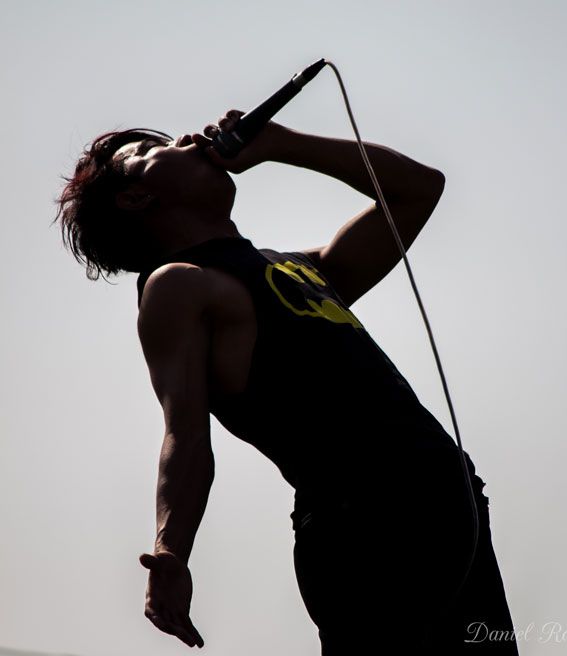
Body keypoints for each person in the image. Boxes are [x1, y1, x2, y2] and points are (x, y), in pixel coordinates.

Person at [55, 110, 520, 654]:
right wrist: (170, 554)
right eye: (151, 148)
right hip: (365, 525)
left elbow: (418, 189)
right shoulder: (180, 285)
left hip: (450, 502)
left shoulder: (303, 268)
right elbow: (184, 432)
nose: (185, 138)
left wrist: (282, 143)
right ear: (134, 198)